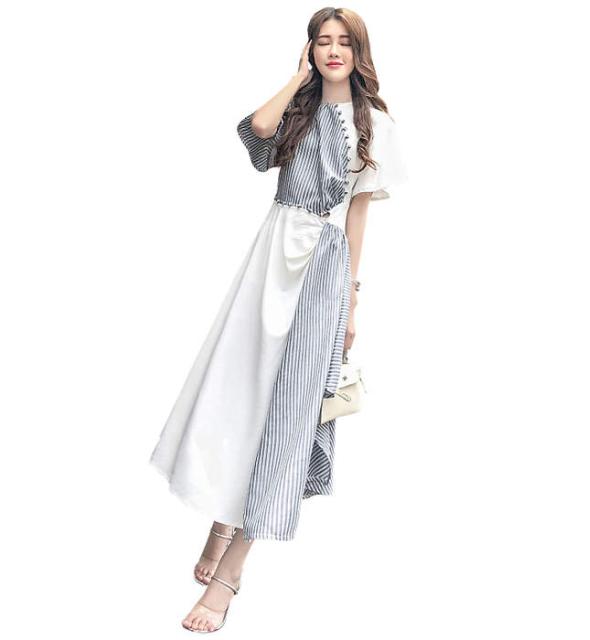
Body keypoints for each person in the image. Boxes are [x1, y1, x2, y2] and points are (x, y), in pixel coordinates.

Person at [148, 7, 408, 633]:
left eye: (344, 42)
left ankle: (232, 570)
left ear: (361, 51)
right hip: (269, 260)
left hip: (323, 270)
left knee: (291, 413)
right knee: (240, 393)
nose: (333, 51)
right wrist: (297, 80)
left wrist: (350, 301)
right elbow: (256, 132)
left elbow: (357, 215)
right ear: (309, 51)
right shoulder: (296, 108)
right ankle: (222, 518)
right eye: (322, 42)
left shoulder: (376, 124)